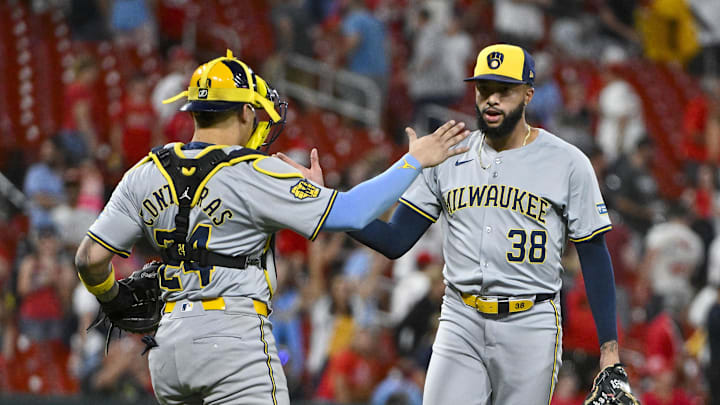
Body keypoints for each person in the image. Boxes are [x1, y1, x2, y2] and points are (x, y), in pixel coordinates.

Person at [74, 50, 469, 405]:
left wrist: (111, 297)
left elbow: (90, 258)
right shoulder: (255, 171)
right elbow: (354, 213)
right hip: (233, 342)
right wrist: (413, 160)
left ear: (194, 112)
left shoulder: (144, 171)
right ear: (246, 112)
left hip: (168, 347)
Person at [281, 43, 636, 404]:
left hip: (531, 322)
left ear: (529, 95)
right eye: (484, 89)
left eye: (504, 91)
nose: (491, 100)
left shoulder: (567, 162)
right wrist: (327, 200)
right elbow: (394, 239)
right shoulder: (448, 155)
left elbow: (593, 253)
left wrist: (609, 349)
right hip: (460, 317)